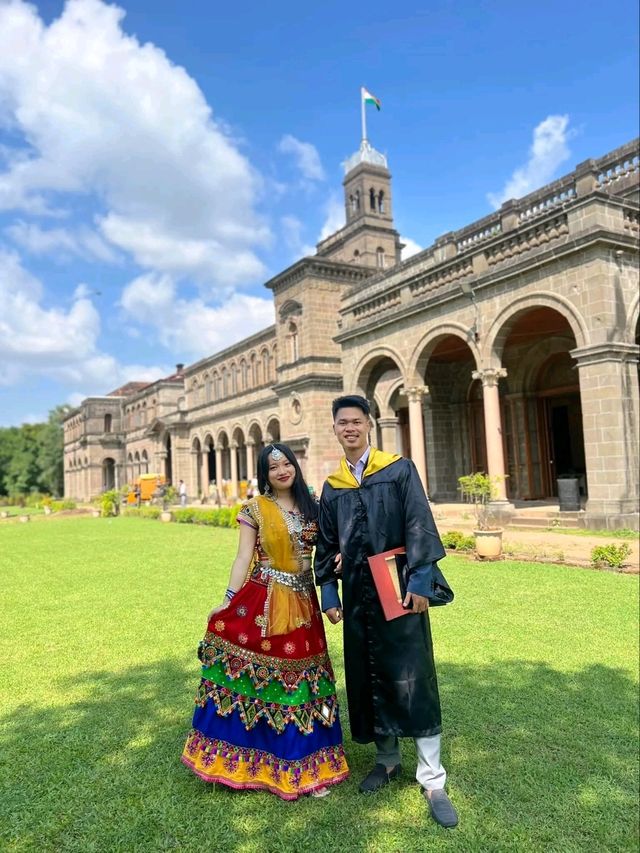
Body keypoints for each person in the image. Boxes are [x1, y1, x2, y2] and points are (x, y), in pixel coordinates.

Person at [314, 395, 458, 828]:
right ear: (335, 429)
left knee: (413, 675)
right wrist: (330, 593)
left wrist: (420, 581)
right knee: (369, 671)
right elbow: (326, 544)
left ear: (369, 425)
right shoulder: (333, 486)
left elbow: (419, 523)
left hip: (398, 587)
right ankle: (387, 760)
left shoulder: (398, 470)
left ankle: (432, 779)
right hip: (359, 593)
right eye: (342, 423)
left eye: (356, 421)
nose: (350, 428)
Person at [181, 443, 349, 800]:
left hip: (304, 603)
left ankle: (308, 765)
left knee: (304, 681)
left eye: (287, 463)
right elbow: (243, 556)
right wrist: (228, 600)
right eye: (273, 467)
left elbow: (330, 547)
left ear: (295, 466)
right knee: (268, 681)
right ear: (265, 474)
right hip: (265, 599)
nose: (282, 471)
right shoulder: (255, 509)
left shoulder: (313, 506)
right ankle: (250, 761)